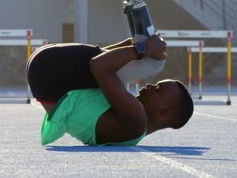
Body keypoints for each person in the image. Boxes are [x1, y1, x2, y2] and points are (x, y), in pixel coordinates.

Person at [26, 34, 194, 146]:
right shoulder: (134, 127)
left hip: (49, 76)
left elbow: (98, 65)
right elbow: (104, 58)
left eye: (158, 89)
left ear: (164, 111)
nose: (149, 85)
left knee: (147, 63)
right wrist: (136, 43)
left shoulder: (137, 120)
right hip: (47, 80)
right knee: (128, 64)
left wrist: (143, 49)